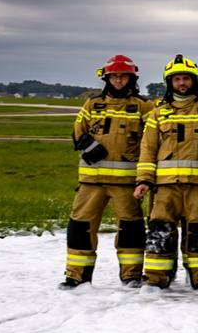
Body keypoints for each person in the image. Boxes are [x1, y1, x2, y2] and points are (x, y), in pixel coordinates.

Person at [63, 55, 151, 289]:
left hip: (126, 184)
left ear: (131, 78)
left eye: (123, 76)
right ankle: (76, 275)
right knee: (80, 227)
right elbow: (77, 132)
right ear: (107, 78)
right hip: (91, 182)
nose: (119, 80)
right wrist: (89, 147)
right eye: (114, 76)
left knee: (131, 230)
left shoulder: (143, 107)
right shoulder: (92, 104)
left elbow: (152, 140)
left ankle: (131, 275)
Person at [135, 55, 198, 289]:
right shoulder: (157, 114)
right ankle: (156, 279)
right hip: (165, 187)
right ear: (169, 83)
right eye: (177, 79)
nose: (182, 83)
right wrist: (144, 180)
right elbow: (148, 149)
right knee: (160, 230)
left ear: (195, 80)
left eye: (186, 79)